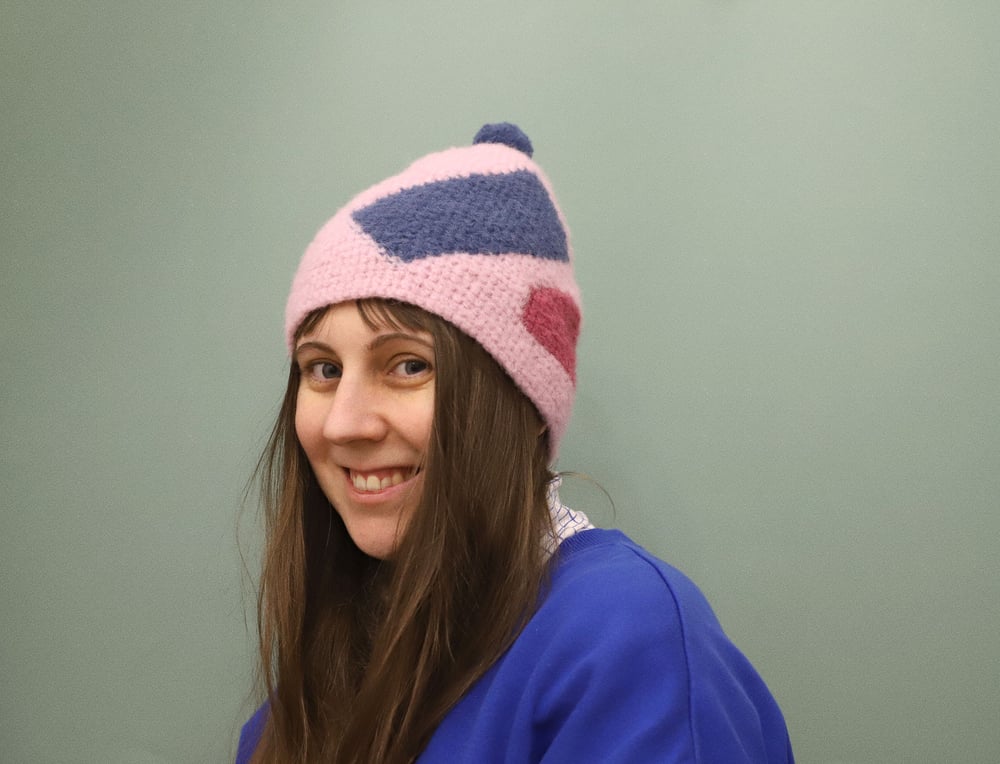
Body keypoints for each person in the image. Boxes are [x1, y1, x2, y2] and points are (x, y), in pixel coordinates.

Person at [236, 123, 794, 763]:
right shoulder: (313, 688)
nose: (345, 424)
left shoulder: (624, 641)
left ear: (522, 403)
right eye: (324, 369)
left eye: (409, 365)